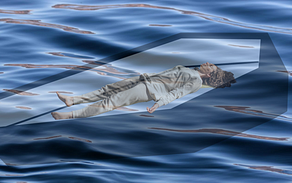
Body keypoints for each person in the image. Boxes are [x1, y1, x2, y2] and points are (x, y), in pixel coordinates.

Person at [51, 62, 236, 120]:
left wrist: (158, 104)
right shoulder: (191, 70)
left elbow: (176, 94)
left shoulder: (195, 81)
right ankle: (73, 100)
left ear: (211, 74)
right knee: (107, 89)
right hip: (144, 80)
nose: (207, 63)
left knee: (110, 102)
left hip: (148, 90)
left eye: (211, 66)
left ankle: (70, 115)